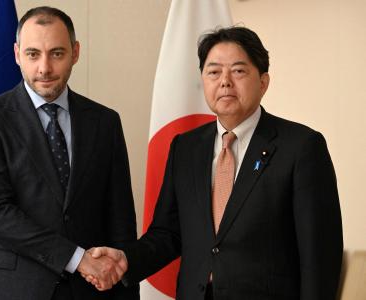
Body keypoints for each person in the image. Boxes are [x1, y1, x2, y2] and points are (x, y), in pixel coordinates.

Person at [88, 26, 343, 300]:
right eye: (214, 72)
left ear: (263, 82)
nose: (225, 81)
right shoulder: (185, 148)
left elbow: (320, 256)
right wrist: (127, 260)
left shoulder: (301, 146)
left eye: (238, 70)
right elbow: (168, 233)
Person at [0, 6, 139, 300]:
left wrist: (125, 289)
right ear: (17, 54)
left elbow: (120, 217)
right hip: (9, 288)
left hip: (90, 291)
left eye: (56, 53)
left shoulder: (105, 122)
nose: (44, 68)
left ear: (75, 52)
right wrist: (77, 258)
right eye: (33, 54)